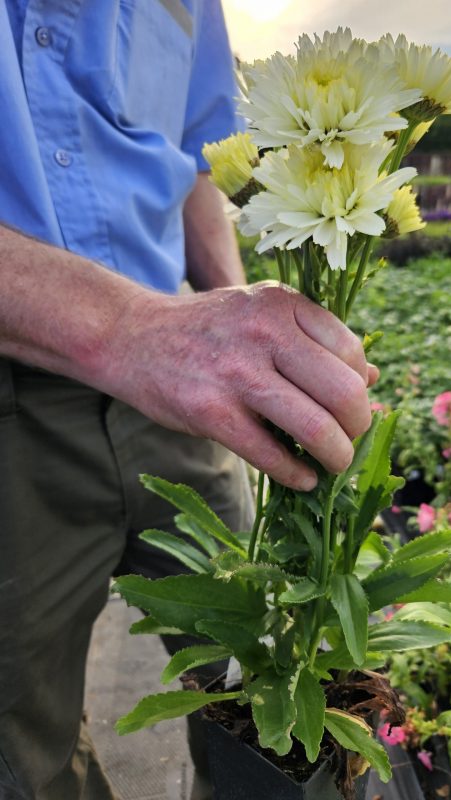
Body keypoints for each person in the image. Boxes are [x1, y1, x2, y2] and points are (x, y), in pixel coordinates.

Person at [0, 2, 375, 799]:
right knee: (19, 737)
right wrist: (127, 327)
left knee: (256, 664)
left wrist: (237, 321)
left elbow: (199, 164)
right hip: (24, 399)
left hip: (175, 389)